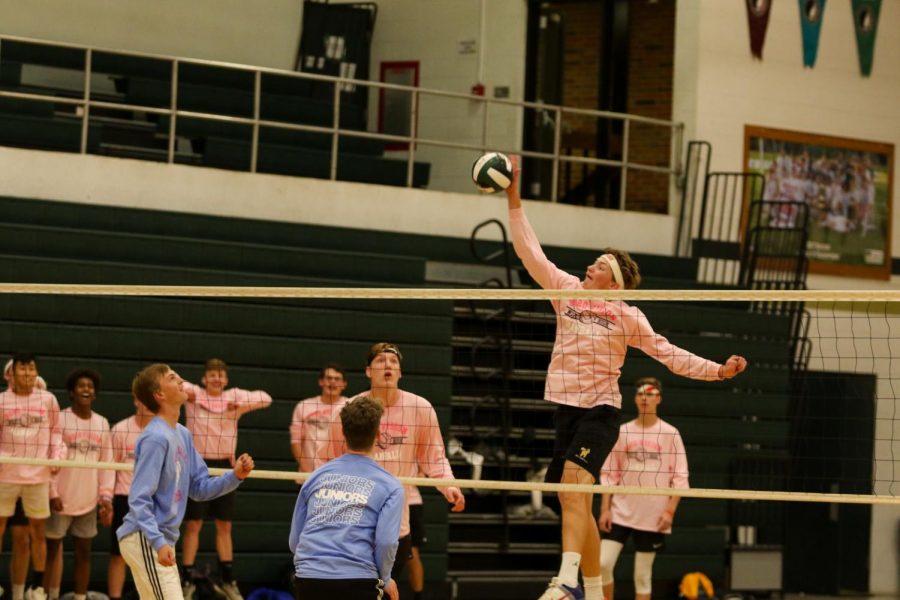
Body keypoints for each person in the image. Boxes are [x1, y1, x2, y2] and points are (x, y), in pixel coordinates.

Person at [503, 158, 747, 600]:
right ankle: (594, 592)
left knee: (575, 482)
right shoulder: (566, 292)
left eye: (597, 265)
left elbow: (670, 355)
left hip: (601, 411)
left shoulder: (627, 316)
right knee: (573, 500)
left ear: (611, 280)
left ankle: (565, 581)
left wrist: (718, 370)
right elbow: (528, 250)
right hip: (566, 409)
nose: (588, 267)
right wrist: (512, 193)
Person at [321, 342, 465, 580]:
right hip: (356, 520)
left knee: (386, 588)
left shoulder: (421, 408)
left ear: (400, 372)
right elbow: (327, 459)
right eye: (380, 360)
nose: (387, 364)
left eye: (393, 361)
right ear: (368, 371)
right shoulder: (350, 409)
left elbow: (435, 458)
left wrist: (449, 486)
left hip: (397, 524)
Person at [116, 364, 255, 600]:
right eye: (172, 378)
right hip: (145, 537)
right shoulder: (155, 438)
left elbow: (199, 488)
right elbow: (139, 499)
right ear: (159, 395)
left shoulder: (182, 434)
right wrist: (158, 543)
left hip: (159, 539)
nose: (181, 380)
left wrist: (235, 476)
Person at [289, 396, 404, 600]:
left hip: (308, 577)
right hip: (357, 579)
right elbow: (386, 542)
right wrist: (385, 578)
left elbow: (295, 540)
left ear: (343, 433)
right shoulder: (391, 486)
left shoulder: (316, 476)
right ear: (378, 435)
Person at [180, 358, 272, 600]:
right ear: (204, 378)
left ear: (227, 380)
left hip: (225, 466)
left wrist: (238, 402)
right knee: (193, 525)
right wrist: (192, 394)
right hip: (198, 466)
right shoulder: (194, 395)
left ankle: (228, 580)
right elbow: (175, 382)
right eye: (212, 375)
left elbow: (266, 397)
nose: (216, 379)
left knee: (224, 525)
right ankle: (186, 581)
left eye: (220, 375)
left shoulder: (234, 397)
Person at [599, 378, 688, 600]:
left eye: (649, 394)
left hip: (653, 515)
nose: (644, 398)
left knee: (642, 576)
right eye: (640, 394)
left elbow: (680, 477)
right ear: (635, 399)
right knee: (602, 564)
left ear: (659, 399)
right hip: (620, 511)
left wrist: (669, 511)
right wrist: (604, 509)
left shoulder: (671, 434)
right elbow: (610, 474)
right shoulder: (623, 432)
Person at [43, 369, 114, 600]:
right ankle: (47, 595)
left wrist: (105, 498)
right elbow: (48, 458)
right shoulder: (60, 419)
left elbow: (107, 463)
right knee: (52, 552)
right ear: (72, 392)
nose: (86, 389)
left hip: (88, 500)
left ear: (95, 393)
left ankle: (80, 597)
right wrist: (52, 492)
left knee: (84, 553)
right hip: (60, 499)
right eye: (81, 386)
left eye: (90, 386)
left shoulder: (102, 423)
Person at [0, 353, 64, 600]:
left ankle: (37, 588)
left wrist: (56, 457)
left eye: (31, 368)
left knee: (38, 532)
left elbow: (57, 432)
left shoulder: (48, 400)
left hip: (38, 475)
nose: (27, 373)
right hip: (6, 474)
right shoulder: (3, 401)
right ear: (12, 373)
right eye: (22, 369)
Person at [107, 396, 153, 600]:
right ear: (136, 400)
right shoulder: (120, 429)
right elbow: (109, 469)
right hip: (124, 498)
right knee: (118, 555)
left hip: (153, 501)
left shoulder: (163, 432)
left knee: (151, 557)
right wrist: (106, 500)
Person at [290, 364, 349, 474]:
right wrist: (307, 471)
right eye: (328, 378)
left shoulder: (350, 406)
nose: (332, 382)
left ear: (344, 384)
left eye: (337, 379)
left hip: (340, 474)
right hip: (309, 474)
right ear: (321, 381)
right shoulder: (304, 406)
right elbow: (296, 441)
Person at [406, 487, 426, 600]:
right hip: (390, 501)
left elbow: (422, 475)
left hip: (411, 504)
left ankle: (418, 596)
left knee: (412, 553)